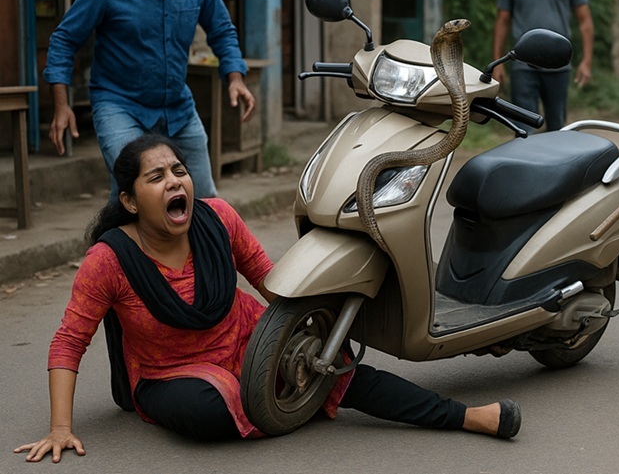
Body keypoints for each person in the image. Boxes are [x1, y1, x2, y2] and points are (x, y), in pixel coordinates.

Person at [13, 134, 522, 463]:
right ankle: (286, 397)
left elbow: (272, 281)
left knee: (336, 367)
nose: (174, 181)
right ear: (128, 201)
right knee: (209, 413)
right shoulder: (109, 260)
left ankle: (463, 415)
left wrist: (314, 330)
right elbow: (68, 343)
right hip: (173, 373)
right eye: (156, 177)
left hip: (248, 341)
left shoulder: (218, 218)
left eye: (179, 170)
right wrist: (60, 428)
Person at [42, 0, 255, 200]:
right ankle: (123, 232)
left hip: (178, 108)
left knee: (203, 199)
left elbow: (222, 30)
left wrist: (235, 78)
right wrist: (62, 105)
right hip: (120, 106)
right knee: (137, 195)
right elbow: (64, 40)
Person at [492, 0, 594, 131]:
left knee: (557, 127)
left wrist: (586, 60)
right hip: (522, 64)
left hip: (559, 64)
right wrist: (498, 62)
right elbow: (502, 21)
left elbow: (584, 20)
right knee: (522, 129)